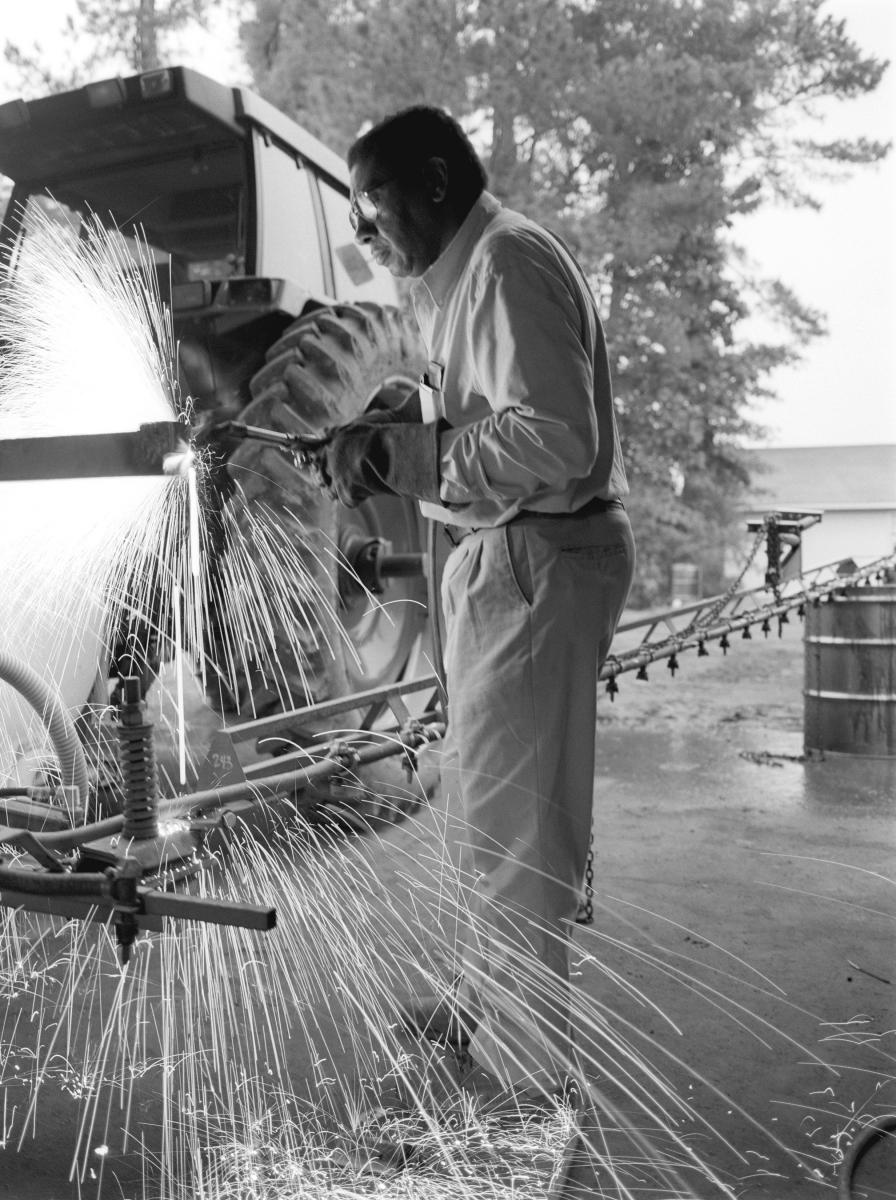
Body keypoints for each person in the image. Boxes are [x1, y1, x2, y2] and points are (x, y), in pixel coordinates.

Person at [309, 105, 635, 1112]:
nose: (365, 236)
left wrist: (413, 458)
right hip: (511, 557)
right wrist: (405, 413)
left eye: (374, 209)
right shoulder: (462, 281)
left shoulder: (504, 263)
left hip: (536, 556)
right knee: (489, 811)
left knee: (511, 833)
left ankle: (529, 1083)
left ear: (437, 181)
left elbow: (557, 437)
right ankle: (495, 1006)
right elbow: (492, 404)